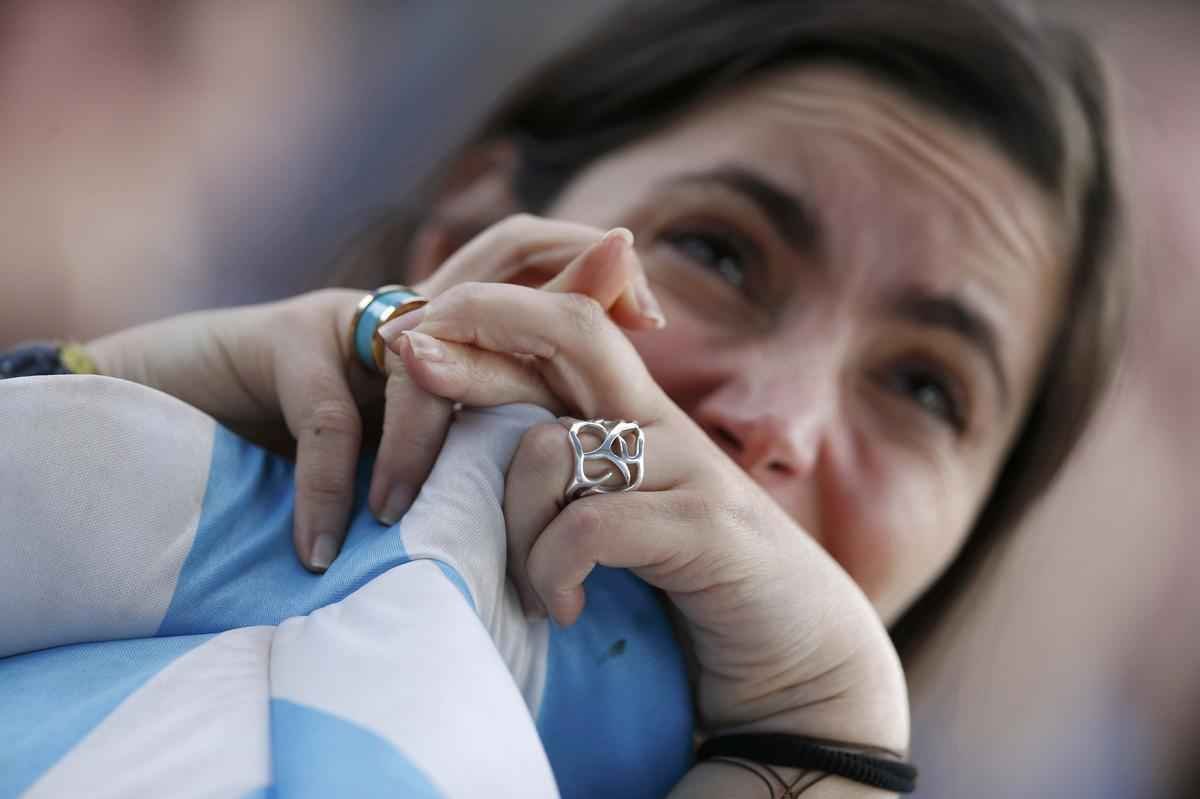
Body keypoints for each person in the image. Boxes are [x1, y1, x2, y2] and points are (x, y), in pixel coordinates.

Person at [3, 1, 1126, 796]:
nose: (777, 417)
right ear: (472, 229)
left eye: (926, 386)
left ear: (978, 529)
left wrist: (824, 740)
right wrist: (88, 405)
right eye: (722, 256)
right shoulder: (191, 488)